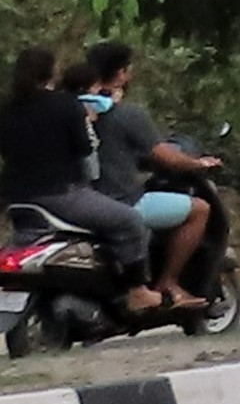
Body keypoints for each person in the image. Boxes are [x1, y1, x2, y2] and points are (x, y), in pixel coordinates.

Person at [3, 45, 165, 315]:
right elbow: (84, 150)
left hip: (17, 198)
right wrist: (86, 120)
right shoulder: (64, 105)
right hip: (62, 195)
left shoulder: (7, 109)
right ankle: (137, 291)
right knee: (130, 220)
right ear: (50, 72)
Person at [81, 40, 219, 307]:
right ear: (121, 74)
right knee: (199, 209)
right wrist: (199, 164)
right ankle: (168, 282)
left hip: (79, 201)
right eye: (128, 69)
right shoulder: (128, 114)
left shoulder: (73, 108)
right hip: (122, 202)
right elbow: (167, 158)